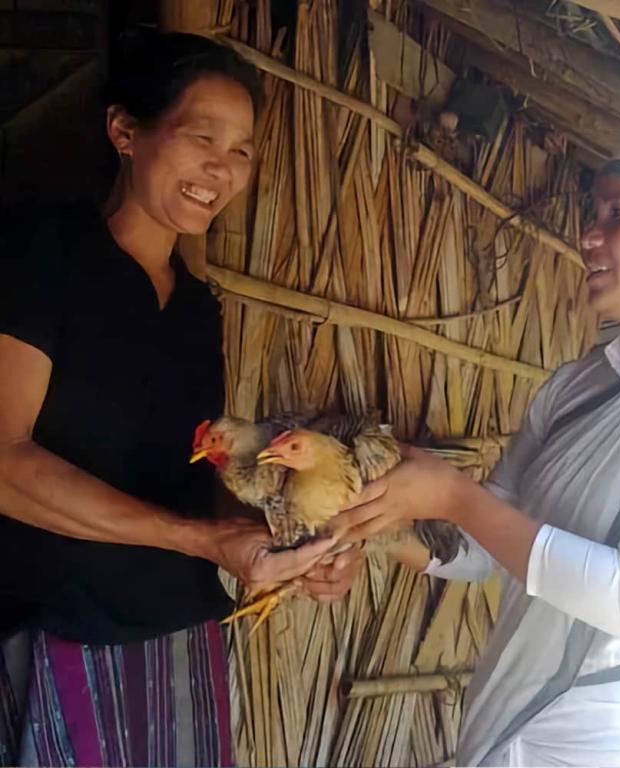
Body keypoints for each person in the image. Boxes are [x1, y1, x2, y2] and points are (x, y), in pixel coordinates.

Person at [336, 135, 620, 766]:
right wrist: (373, 533)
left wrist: (454, 496)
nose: (589, 236)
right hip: (504, 721)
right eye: (593, 216)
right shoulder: (576, 383)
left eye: (619, 215)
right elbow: (487, 549)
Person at [0, 32, 361, 767]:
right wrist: (200, 539)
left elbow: (197, 480)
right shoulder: (45, 256)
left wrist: (283, 548)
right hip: (60, 630)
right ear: (125, 131)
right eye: (202, 137)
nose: (221, 170)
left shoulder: (198, 309)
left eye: (242, 151)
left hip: (178, 635)